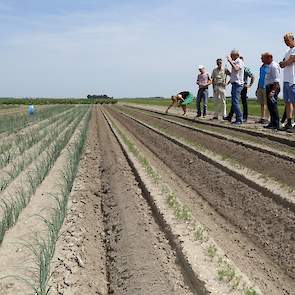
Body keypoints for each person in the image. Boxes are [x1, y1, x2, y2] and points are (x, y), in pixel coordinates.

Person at [225, 56, 254, 122]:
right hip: (238, 84)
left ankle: (244, 117)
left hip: (243, 86)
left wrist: (249, 85)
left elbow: (252, 76)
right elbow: (234, 76)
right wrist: (229, 74)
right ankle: (230, 116)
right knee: (235, 101)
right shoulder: (236, 67)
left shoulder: (245, 69)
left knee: (243, 102)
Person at [279, 32, 295, 132]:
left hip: (293, 80)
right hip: (286, 79)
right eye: (285, 41)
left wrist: (285, 62)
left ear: (292, 39)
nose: (285, 42)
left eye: (287, 40)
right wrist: (285, 62)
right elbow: (283, 63)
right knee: (287, 102)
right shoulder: (287, 51)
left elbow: (291, 60)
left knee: (294, 102)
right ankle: (288, 123)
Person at [224, 49, 245, 125]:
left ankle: (239, 119)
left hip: (238, 84)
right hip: (235, 84)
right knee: (234, 102)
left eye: (231, 55)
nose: (230, 57)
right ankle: (235, 118)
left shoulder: (239, 61)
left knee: (235, 102)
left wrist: (230, 61)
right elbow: (235, 74)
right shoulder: (236, 62)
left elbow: (236, 69)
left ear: (236, 55)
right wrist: (228, 73)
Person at [263, 53, 281, 130]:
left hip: (273, 87)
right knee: (270, 106)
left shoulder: (274, 66)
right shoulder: (268, 66)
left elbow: (276, 80)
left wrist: (273, 91)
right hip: (269, 86)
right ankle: (272, 123)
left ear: (269, 58)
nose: (262, 60)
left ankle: (277, 124)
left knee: (273, 106)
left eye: (264, 58)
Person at [256, 53, 270, 124]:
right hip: (260, 87)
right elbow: (260, 78)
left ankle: (267, 118)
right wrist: (257, 87)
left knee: (267, 103)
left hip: (266, 87)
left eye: (262, 58)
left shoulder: (269, 66)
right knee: (262, 103)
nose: (261, 59)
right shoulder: (261, 67)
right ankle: (262, 117)